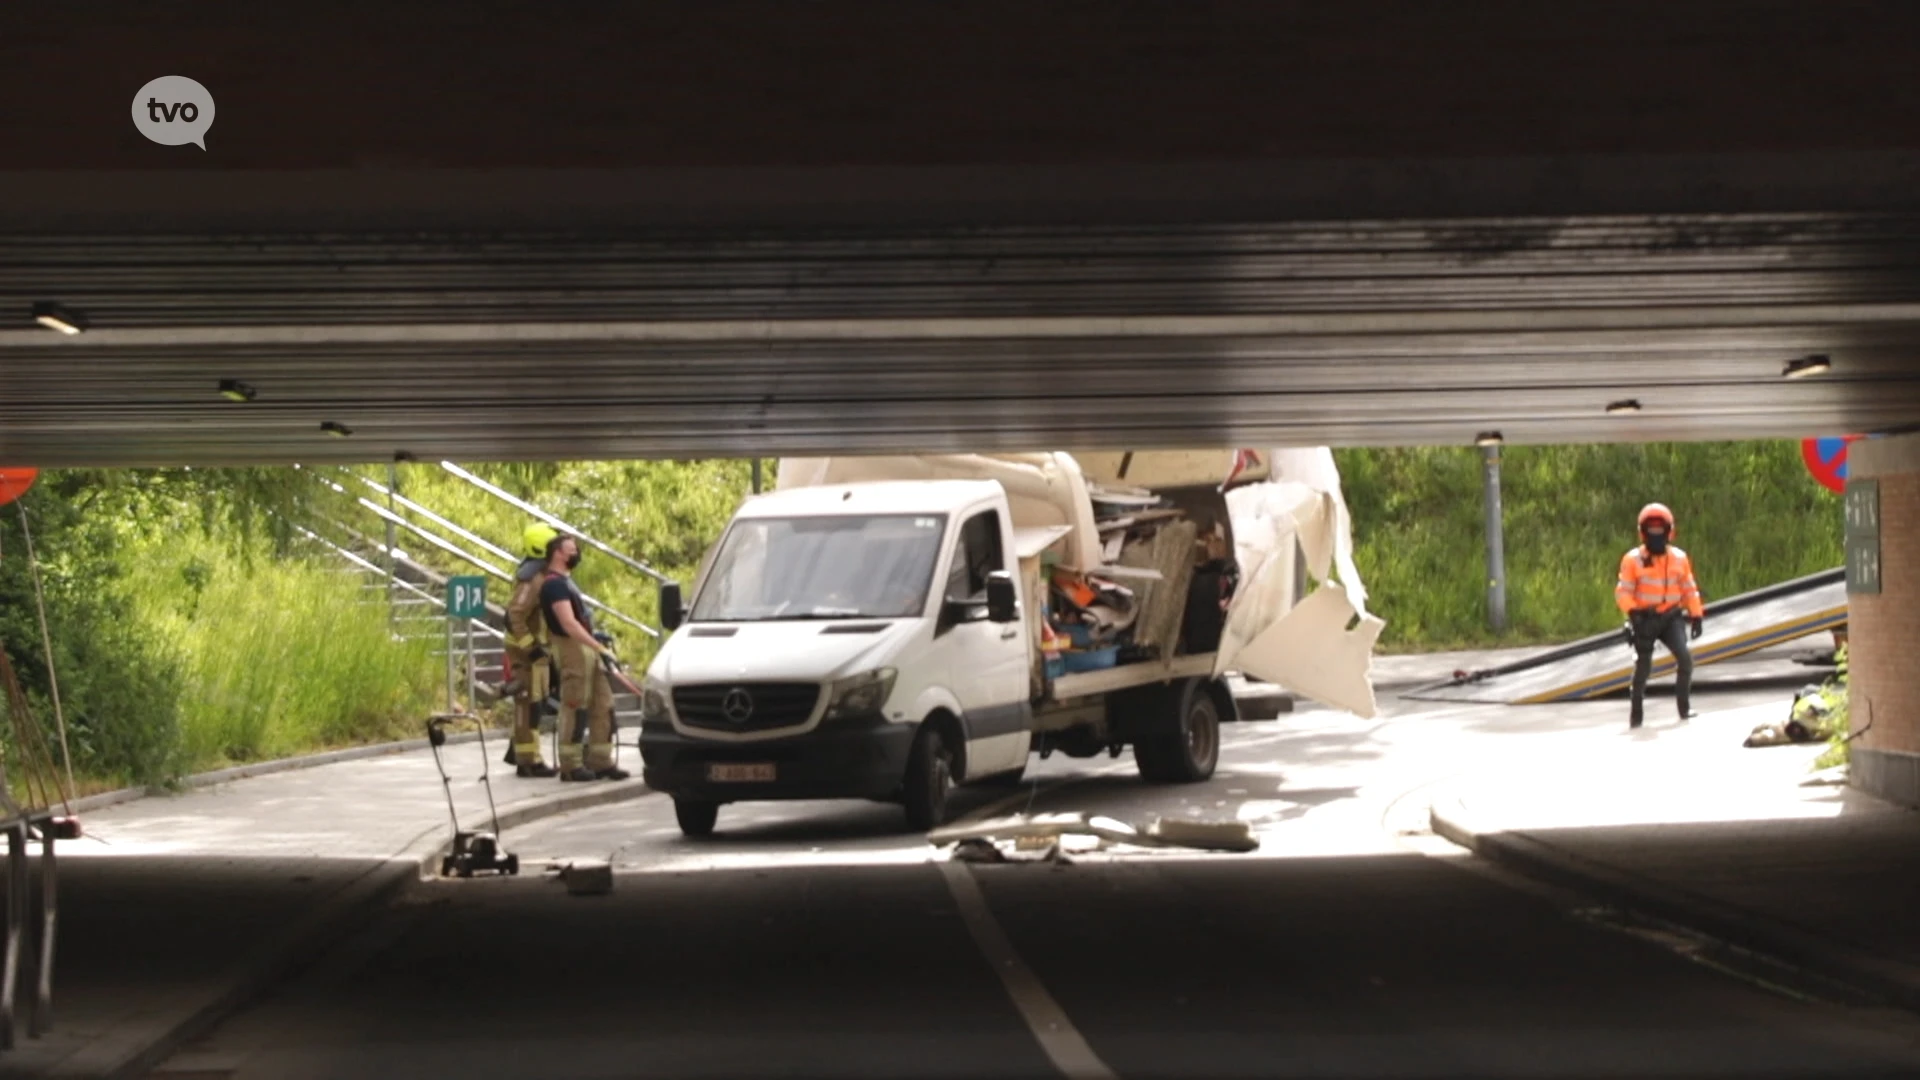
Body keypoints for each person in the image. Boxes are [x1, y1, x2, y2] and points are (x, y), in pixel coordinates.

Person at [537, 534, 630, 781]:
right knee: (575, 705)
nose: (576, 552)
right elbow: (568, 623)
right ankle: (571, 765)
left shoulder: (567, 583)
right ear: (558, 553)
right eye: (572, 549)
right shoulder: (554, 585)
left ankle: (601, 761)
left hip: (587, 648)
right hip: (573, 649)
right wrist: (598, 647)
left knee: (603, 704)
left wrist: (596, 643)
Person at [1615, 503, 1706, 729]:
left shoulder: (1679, 558)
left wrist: (1696, 614)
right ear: (1642, 533)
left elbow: (1689, 588)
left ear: (1669, 532)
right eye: (1651, 531)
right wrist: (1634, 612)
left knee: (1685, 659)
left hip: (1671, 617)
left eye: (1660, 530)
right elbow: (1623, 591)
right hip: (1644, 619)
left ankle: (1684, 709)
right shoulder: (1632, 560)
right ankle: (1636, 717)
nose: (1656, 536)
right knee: (1643, 669)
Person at [500, 522, 559, 777]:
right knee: (527, 705)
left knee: (536, 703)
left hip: (537, 650)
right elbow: (515, 615)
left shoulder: (542, 575)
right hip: (525, 652)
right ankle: (528, 761)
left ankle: (524, 754)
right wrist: (530, 648)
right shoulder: (531, 580)